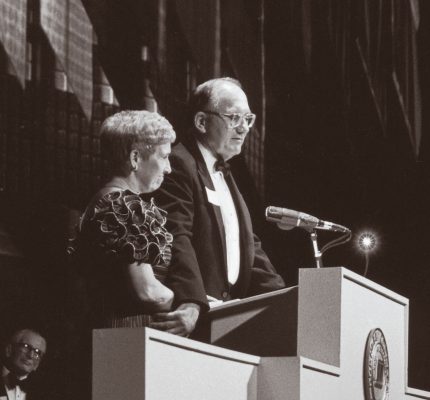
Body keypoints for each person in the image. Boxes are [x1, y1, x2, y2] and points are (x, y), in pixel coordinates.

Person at [153, 77, 285, 336]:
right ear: (202, 122)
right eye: (234, 118)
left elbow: (246, 245)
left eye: (248, 119)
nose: (244, 128)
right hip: (193, 319)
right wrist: (192, 301)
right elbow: (176, 234)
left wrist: (286, 297)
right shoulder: (179, 164)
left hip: (225, 321)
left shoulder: (226, 173)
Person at [73, 110, 176, 329]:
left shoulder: (104, 200)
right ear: (135, 158)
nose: (168, 169)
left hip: (112, 334)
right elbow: (148, 292)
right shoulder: (122, 205)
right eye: (164, 157)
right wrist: (187, 304)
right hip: (127, 336)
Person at [1, 328, 47, 400]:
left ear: (37, 364)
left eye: (37, 352)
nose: (31, 355)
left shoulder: (43, 393)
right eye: (26, 346)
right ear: (9, 350)